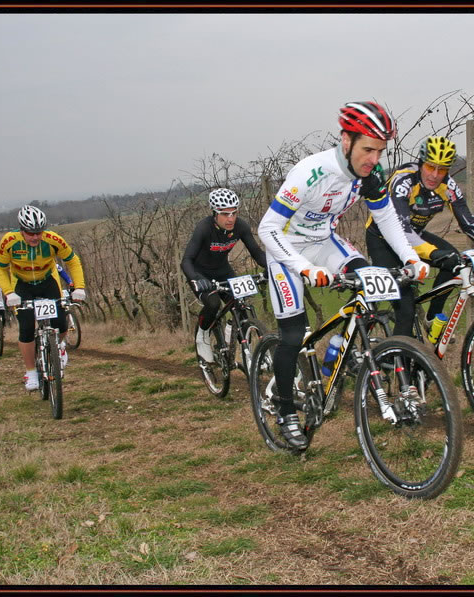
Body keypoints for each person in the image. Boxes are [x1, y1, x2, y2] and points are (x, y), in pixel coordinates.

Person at [256, 101, 429, 450]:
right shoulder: (311, 172)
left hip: (325, 243)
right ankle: (287, 411)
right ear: (346, 141)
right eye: (367, 149)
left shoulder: (371, 175)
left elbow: (386, 219)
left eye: (380, 151)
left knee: (370, 283)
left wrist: (411, 258)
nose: (373, 159)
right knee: (293, 333)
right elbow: (267, 228)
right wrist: (303, 268)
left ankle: (340, 351)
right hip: (286, 250)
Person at [365, 135, 474, 336]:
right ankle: (398, 360)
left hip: (414, 236)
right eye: (430, 167)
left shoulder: (447, 186)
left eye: (442, 169)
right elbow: (400, 230)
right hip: (383, 239)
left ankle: (432, 317)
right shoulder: (404, 181)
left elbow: (468, 221)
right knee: (405, 310)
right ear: (421, 163)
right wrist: (433, 253)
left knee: (454, 260)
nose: (434, 175)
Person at [0, 204, 86, 391]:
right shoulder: (9, 241)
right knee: (27, 328)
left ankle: (58, 347)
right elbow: (0, 269)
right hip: (21, 285)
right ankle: (31, 372)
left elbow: (73, 261)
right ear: (21, 230)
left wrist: (80, 287)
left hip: (47, 282)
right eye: (30, 233)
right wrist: (9, 293)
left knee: (60, 322)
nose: (35, 237)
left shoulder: (53, 240)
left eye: (39, 232)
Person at [181, 188, 267, 362]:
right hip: (201, 274)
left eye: (234, 213)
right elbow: (186, 261)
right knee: (212, 304)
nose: (231, 218)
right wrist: (197, 279)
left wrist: (273, 268)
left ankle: (235, 339)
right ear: (215, 214)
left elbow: (257, 254)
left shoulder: (240, 226)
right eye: (225, 214)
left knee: (241, 305)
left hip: (223, 272)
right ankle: (203, 334)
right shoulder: (204, 228)